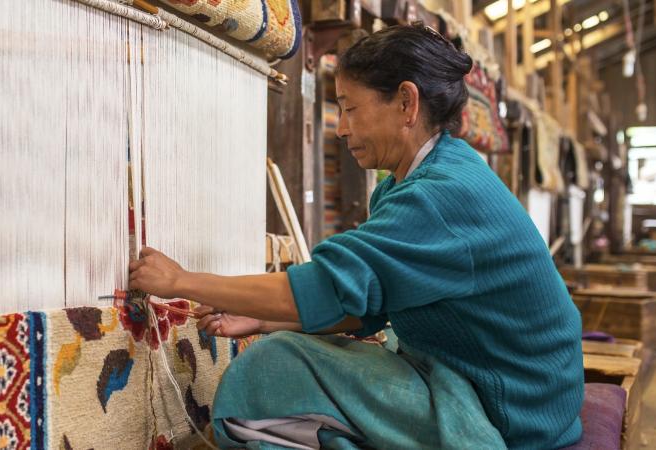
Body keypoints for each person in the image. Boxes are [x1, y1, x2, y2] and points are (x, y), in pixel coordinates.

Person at [129, 23, 583, 450]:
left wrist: (181, 281)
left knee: (269, 370)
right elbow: (369, 302)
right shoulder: (421, 178)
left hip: (515, 411)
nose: (342, 127)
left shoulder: (440, 197)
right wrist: (267, 320)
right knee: (294, 349)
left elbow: (331, 287)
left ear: (407, 103)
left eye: (350, 108)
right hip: (518, 388)